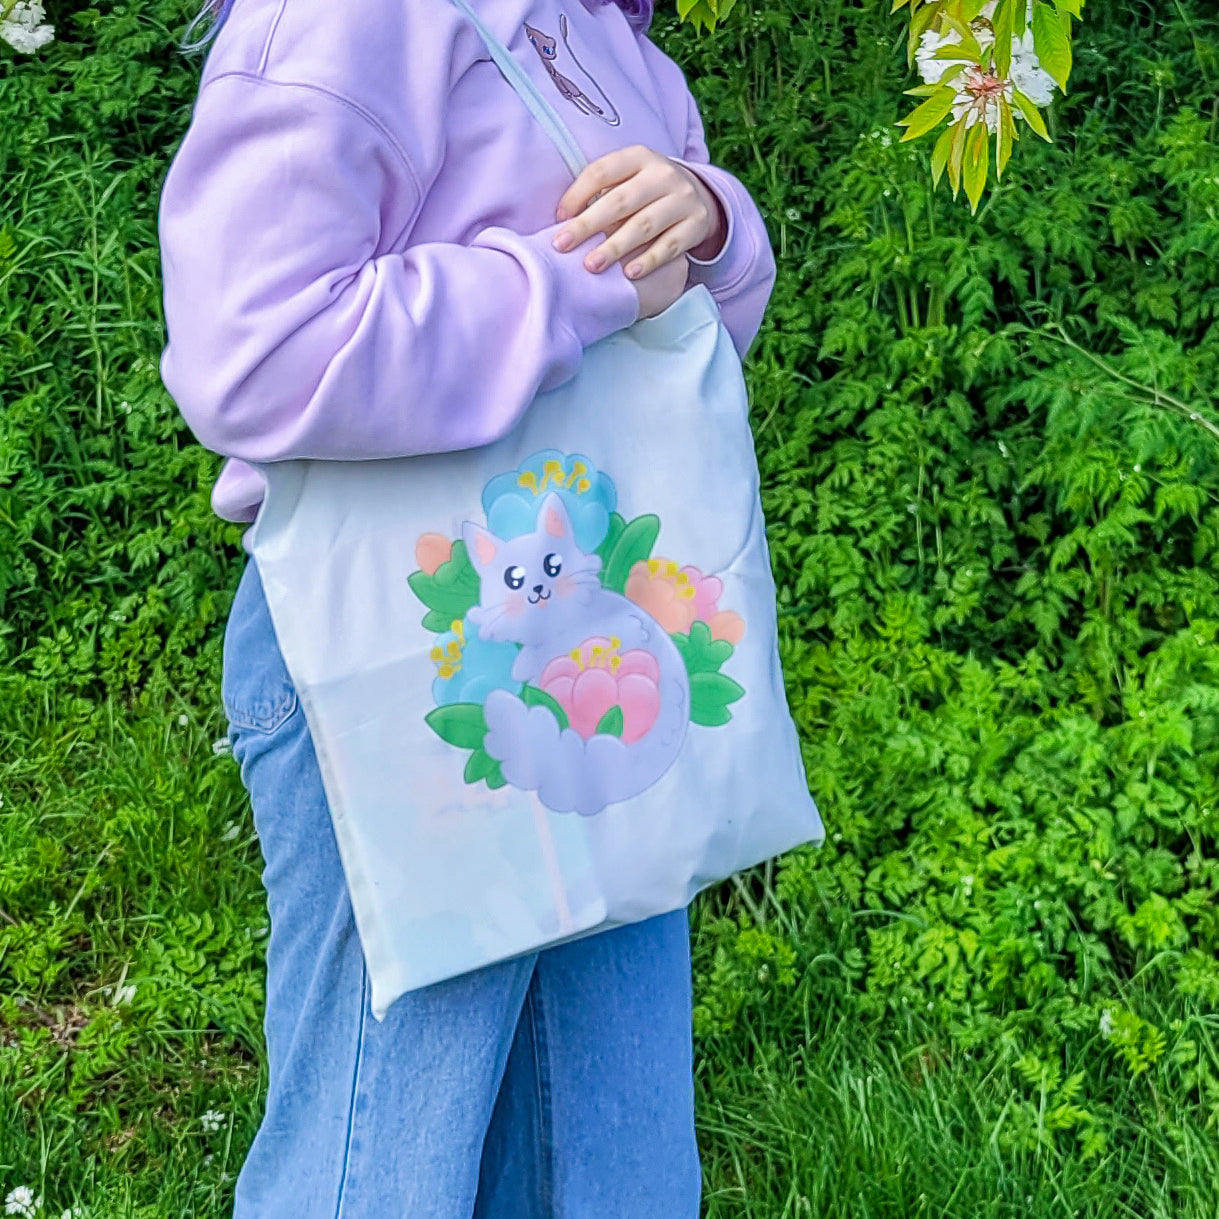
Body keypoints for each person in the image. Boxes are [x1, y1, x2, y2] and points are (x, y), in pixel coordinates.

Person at [157, 0, 776, 1213]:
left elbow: (691, 340)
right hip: (400, 656)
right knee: (385, 1160)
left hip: (592, 656)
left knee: (617, 1155)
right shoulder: (342, 20)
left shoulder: (601, 27)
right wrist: (578, 278)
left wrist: (708, 221)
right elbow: (253, 350)